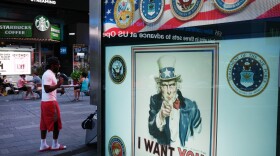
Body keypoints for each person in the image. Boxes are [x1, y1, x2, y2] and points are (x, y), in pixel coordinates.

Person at [148, 55, 202, 147]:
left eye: (172, 85)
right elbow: (151, 131)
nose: (169, 91)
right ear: (160, 87)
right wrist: (160, 116)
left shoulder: (190, 106)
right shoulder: (155, 101)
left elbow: (199, 135)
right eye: (165, 85)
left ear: (177, 85)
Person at [39, 57, 66, 152]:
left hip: (45, 102)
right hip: (51, 103)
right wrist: (59, 84)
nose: (59, 66)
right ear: (52, 65)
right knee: (56, 122)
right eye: (57, 65)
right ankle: (55, 144)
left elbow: (50, 89)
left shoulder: (50, 74)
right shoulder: (48, 74)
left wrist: (59, 90)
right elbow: (47, 89)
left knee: (44, 123)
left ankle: (43, 145)